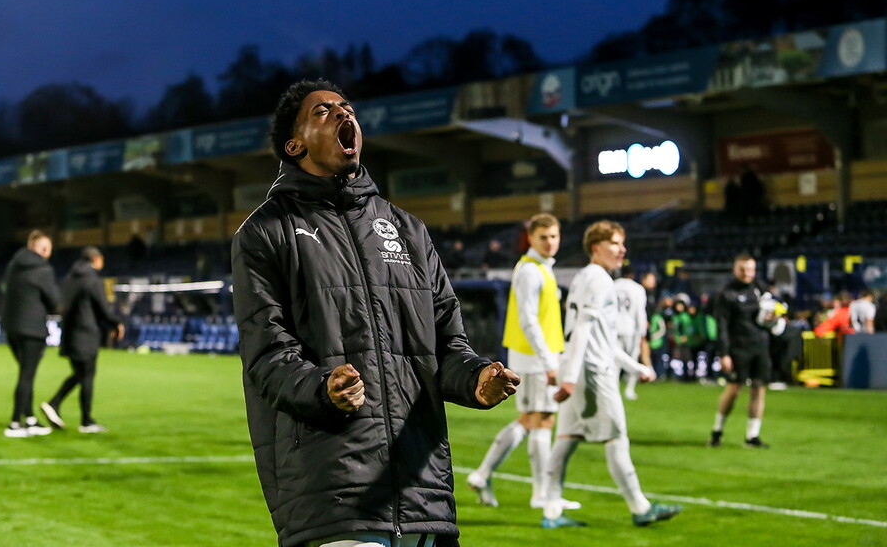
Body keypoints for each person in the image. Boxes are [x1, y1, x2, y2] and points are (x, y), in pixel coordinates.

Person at [231, 79, 521, 547]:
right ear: (295, 143)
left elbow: (447, 345)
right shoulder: (266, 232)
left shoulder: (408, 230)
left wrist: (475, 379)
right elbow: (266, 358)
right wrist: (322, 388)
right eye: (323, 111)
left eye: (347, 107)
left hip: (423, 492)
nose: (344, 114)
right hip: (335, 493)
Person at [542, 220, 681, 529]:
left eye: (622, 243)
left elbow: (599, 338)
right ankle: (640, 507)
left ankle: (551, 512)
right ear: (597, 247)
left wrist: (636, 368)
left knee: (566, 440)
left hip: (579, 365)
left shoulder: (584, 277)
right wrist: (571, 377)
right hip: (592, 371)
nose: (623, 250)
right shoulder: (600, 280)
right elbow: (583, 329)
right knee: (617, 436)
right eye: (616, 243)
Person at [467, 213, 578, 511]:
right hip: (533, 358)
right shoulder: (530, 271)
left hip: (536, 356)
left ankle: (485, 474)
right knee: (539, 420)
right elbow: (528, 321)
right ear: (531, 238)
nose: (551, 242)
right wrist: (548, 362)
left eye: (554, 236)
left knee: (534, 420)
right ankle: (540, 493)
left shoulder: (540, 268)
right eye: (544, 237)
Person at [40, 247, 124, 434]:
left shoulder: (69, 279)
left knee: (80, 373)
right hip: (86, 334)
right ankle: (86, 420)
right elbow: (102, 308)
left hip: (69, 333)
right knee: (86, 375)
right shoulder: (92, 280)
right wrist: (116, 324)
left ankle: (55, 404)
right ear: (95, 259)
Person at [709, 253, 778, 449]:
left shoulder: (760, 289)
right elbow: (721, 325)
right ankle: (717, 431)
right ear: (735, 269)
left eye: (750, 269)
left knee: (758, 389)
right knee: (734, 389)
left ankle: (752, 436)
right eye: (743, 269)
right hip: (738, 347)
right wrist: (724, 353)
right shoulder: (726, 293)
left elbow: (770, 311)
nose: (747, 273)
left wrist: (774, 316)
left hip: (760, 346)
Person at [0, 230, 60, 438]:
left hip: (11, 327)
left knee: (26, 374)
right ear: (43, 249)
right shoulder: (43, 269)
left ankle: (30, 418)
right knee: (27, 375)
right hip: (32, 328)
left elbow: (3, 290)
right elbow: (54, 301)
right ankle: (15, 423)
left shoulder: (13, 265)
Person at [614, 266, 649, 400]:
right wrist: (642, 331)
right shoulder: (637, 288)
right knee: (632, 360)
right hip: (631, 328)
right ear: (632, 275)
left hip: (614, 327)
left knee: (615, 361)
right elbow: (640, 311)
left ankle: (614, 388)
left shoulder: (613, 285)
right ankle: (629, 390)